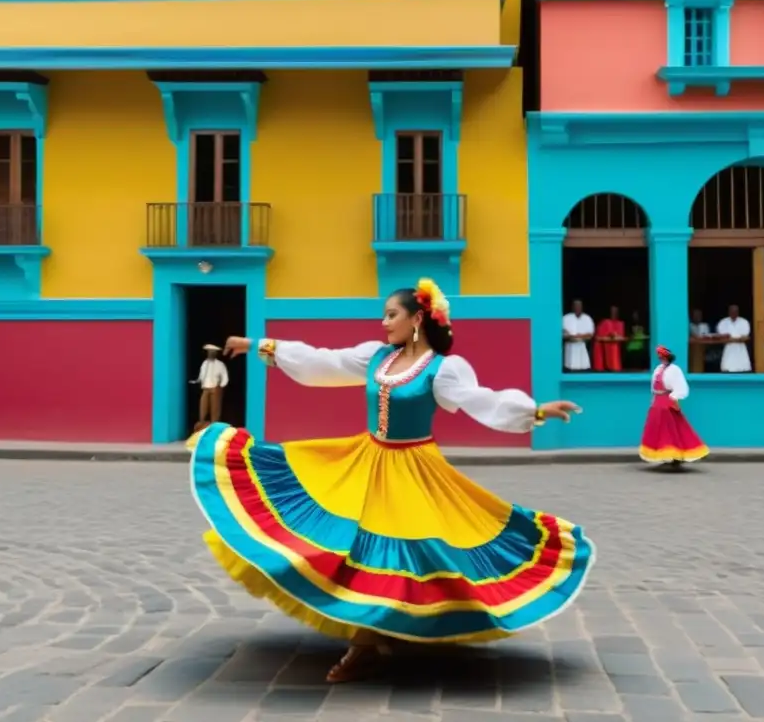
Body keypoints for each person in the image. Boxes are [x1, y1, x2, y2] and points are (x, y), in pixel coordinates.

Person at [189, 278, 595, 683]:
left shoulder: (443, 369)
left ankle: (371, 642)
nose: (384, 322)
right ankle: (369, 640)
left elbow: (482, 400)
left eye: (391, 315)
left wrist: (535, 411)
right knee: (345, 544)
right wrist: (261, 345)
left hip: (413, 468)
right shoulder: (376, 358)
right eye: (384, 315)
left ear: (417, 318)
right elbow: (324, 362)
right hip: (366, 459)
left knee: (404, 553)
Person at [639, 345, 709, 467]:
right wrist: (654, 399)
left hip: (667, 401)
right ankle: (665, 455)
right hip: (657, 402)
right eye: (660, 357)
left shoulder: (675, 370)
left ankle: (676, 455)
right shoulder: (658, 369)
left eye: (663, 357)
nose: (661, 359)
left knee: (670, 429)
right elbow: (654, 386)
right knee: (657, 428)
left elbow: (680, 386)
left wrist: (673, 398)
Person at [190, 343, 229, 430]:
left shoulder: (220, 364)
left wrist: (220, 386)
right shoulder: (204, 363)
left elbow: (225, 377)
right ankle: (202, 424)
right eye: (209, 352)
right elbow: (201, 375)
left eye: (212, 352)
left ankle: (214, 426)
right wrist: (197, 381)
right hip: (205, 388)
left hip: (215, 388)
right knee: (203, 407)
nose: (210, 354)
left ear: (215, 353)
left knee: (215, 408)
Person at [716, 304, 751, 373]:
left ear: (738, 312)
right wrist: (736, 339)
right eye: (732, 311)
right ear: (729, 312)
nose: (733, 313)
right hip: (728, 347)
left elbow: (744, 337)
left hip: (741, 348)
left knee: (742, 368)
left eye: (735, 311)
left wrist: (731, 339)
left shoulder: (744, 322)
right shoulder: (723, 322)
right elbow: (722, 337)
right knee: (727, 368)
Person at [562, 299, 595, 371]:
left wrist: (579, 336)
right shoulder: (566, 318)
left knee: (583, 368)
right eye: (576, 306)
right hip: (570, 346)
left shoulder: (587, 318)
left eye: (579, 306)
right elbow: (562, 332)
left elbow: (590, 334)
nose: (578, 308)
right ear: (572, 307)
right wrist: (569, 335)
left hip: (582, 345)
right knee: (570, 367)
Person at [592, 305, 625, 372]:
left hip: (615, 351)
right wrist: (610, 337)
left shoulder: (620, 323)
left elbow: (621, 337)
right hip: (602, 350)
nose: (614, 313)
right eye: (612, 312)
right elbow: (598, 338)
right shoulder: (604, 323)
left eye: (615, 312)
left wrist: (614, 337)